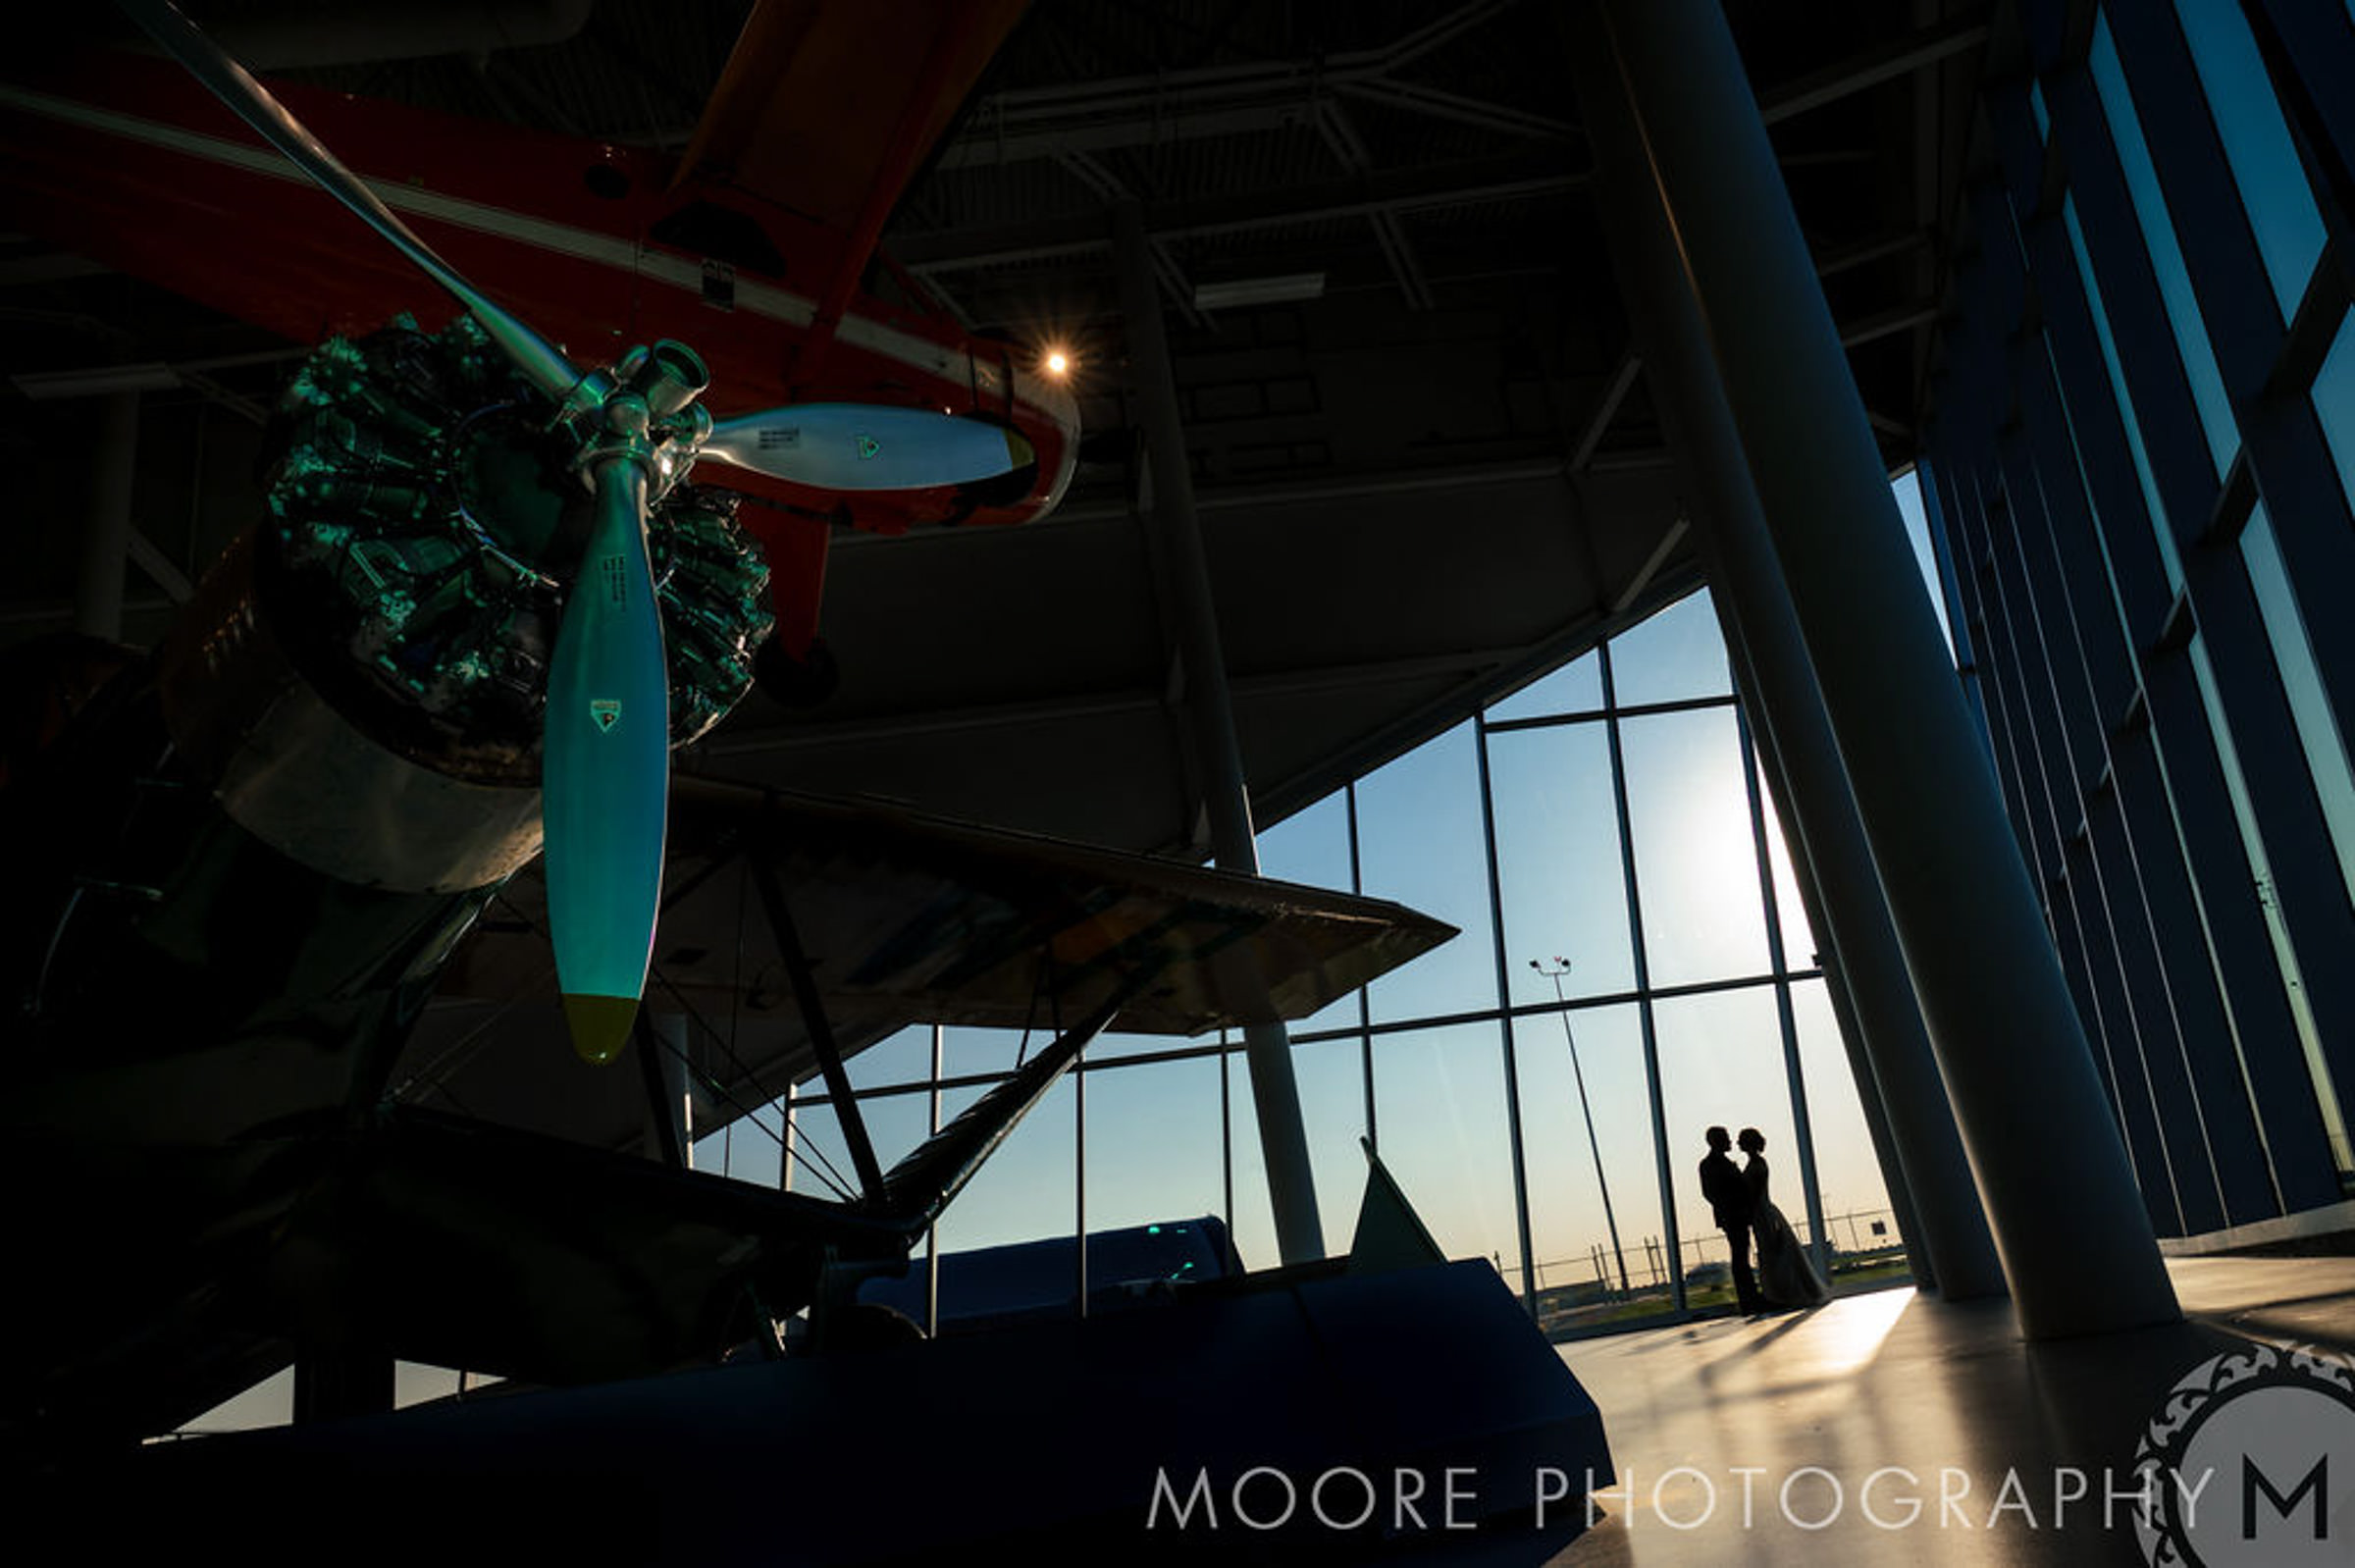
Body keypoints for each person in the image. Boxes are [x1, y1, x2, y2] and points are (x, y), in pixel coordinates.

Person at [1739, 1127, 1829, 1308]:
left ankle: (1780, 1293)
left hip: (1761, 1213)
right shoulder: (1758, 1163)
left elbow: (1754, 1194)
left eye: (1741, 1141)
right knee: (1770, 1252)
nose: (1738, 1144)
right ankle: (1779, 1292)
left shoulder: (1756, 1165)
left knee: (1770, 1252)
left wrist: (1747, 1211)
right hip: (1763, 1210)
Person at [1699, 1125, 1764, 1315]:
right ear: (1716, 1141)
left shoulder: (1720, 1163)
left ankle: (1750, 1297)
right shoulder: (1709, 1165)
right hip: (1732, 1216)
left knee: (1742, 1255)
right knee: (1740, 1257)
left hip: (1737, 1215)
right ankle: (1748, 1299)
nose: (1730, 1141)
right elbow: (1710, 1193)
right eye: (1726, 1138)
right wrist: (1734, 1206)